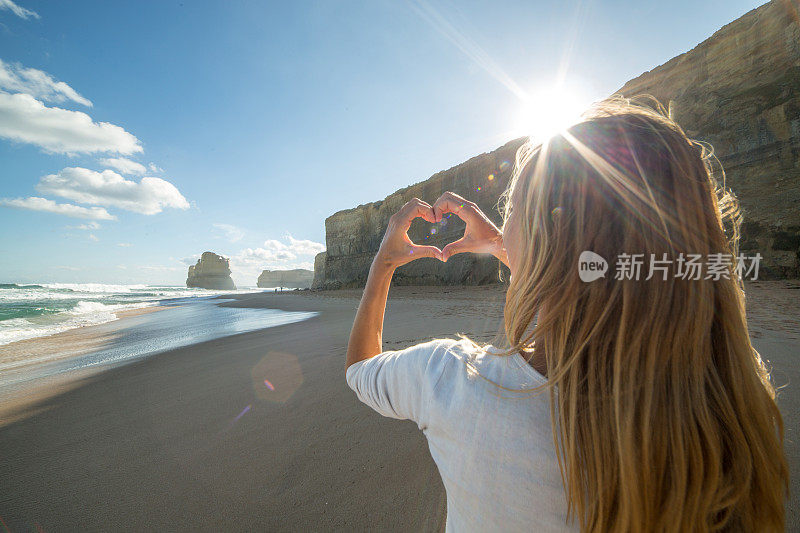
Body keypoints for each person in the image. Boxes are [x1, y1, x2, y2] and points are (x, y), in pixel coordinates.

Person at [344, 96, 788, 532]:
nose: (505, 222)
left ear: (543, 235)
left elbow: (360, 369)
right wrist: (508, 244)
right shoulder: (728, 419)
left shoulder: (450, 381)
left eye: (513, 209)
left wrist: (383, 263)